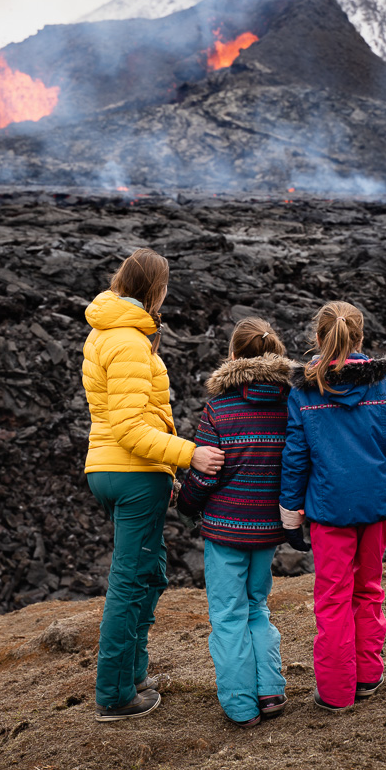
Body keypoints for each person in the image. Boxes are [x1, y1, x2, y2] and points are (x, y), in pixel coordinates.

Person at [82, 248, 225, 722]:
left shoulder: (109, 331)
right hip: (132, 473)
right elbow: (128, 428)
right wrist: (190, 454)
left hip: (112, 470)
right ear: (155, 288)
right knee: (129, 582)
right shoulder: (125, 340)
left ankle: (133, 674)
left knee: (147, 573)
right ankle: (115, 695)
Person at [278, 300, 386, 712]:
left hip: (329, 509)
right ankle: (369, 675)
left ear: (318, 340)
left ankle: (337, 692)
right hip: (376, 503)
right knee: (368, 589)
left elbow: (295, 456)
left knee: (333, 598)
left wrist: (289, 514)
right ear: (359, 338)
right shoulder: (383, 383)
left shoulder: (304, 390)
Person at [177, 318, 304, 727]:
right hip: (268, 530)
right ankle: (271, 691)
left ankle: (240, 706)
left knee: (228, 615)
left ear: (232, 356)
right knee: (257, 608)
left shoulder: (219, 408)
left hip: (224, 531)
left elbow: (204, 472)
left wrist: (186, 503)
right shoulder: (292, 404)